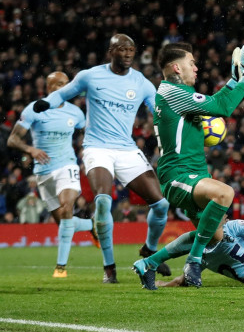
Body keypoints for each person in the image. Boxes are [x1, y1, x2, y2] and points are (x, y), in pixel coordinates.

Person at [32, 35, 171, 283]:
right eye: (123, 49)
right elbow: (63, 93)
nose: (128, 54)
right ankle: (109, 267)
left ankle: (149, 251)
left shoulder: (140, 82)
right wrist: (46, 102)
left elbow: (159, 109)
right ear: (111, 51)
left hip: (126, 149)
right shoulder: (91, 75)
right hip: (97, 148)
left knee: (161, 205)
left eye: (131, 50)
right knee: (104, 202)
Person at [149, 42, 244, 288]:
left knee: (213, 236)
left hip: (194, 173)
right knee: (225, 193)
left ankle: (149, 264)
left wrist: (232, 80)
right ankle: (193, 262)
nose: (196, 68)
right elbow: (222, 107)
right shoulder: (173, 93)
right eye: (191, 63)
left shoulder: (174, 94)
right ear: (177, 68)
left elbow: (216, 100)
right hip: (179, 175)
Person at [7, 71, 98, 278]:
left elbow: (88, 135)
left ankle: (61, 267)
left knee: (67, 209)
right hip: (43, 172)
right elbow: (12, 140)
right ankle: (90, 225)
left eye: (66, 84)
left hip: (67, 166)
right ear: (48, 88)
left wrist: (88, 152)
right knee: (63, 222)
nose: (63, 88)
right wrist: (30, 150)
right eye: (58, 84)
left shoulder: (75, 112)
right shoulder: (34, 109)